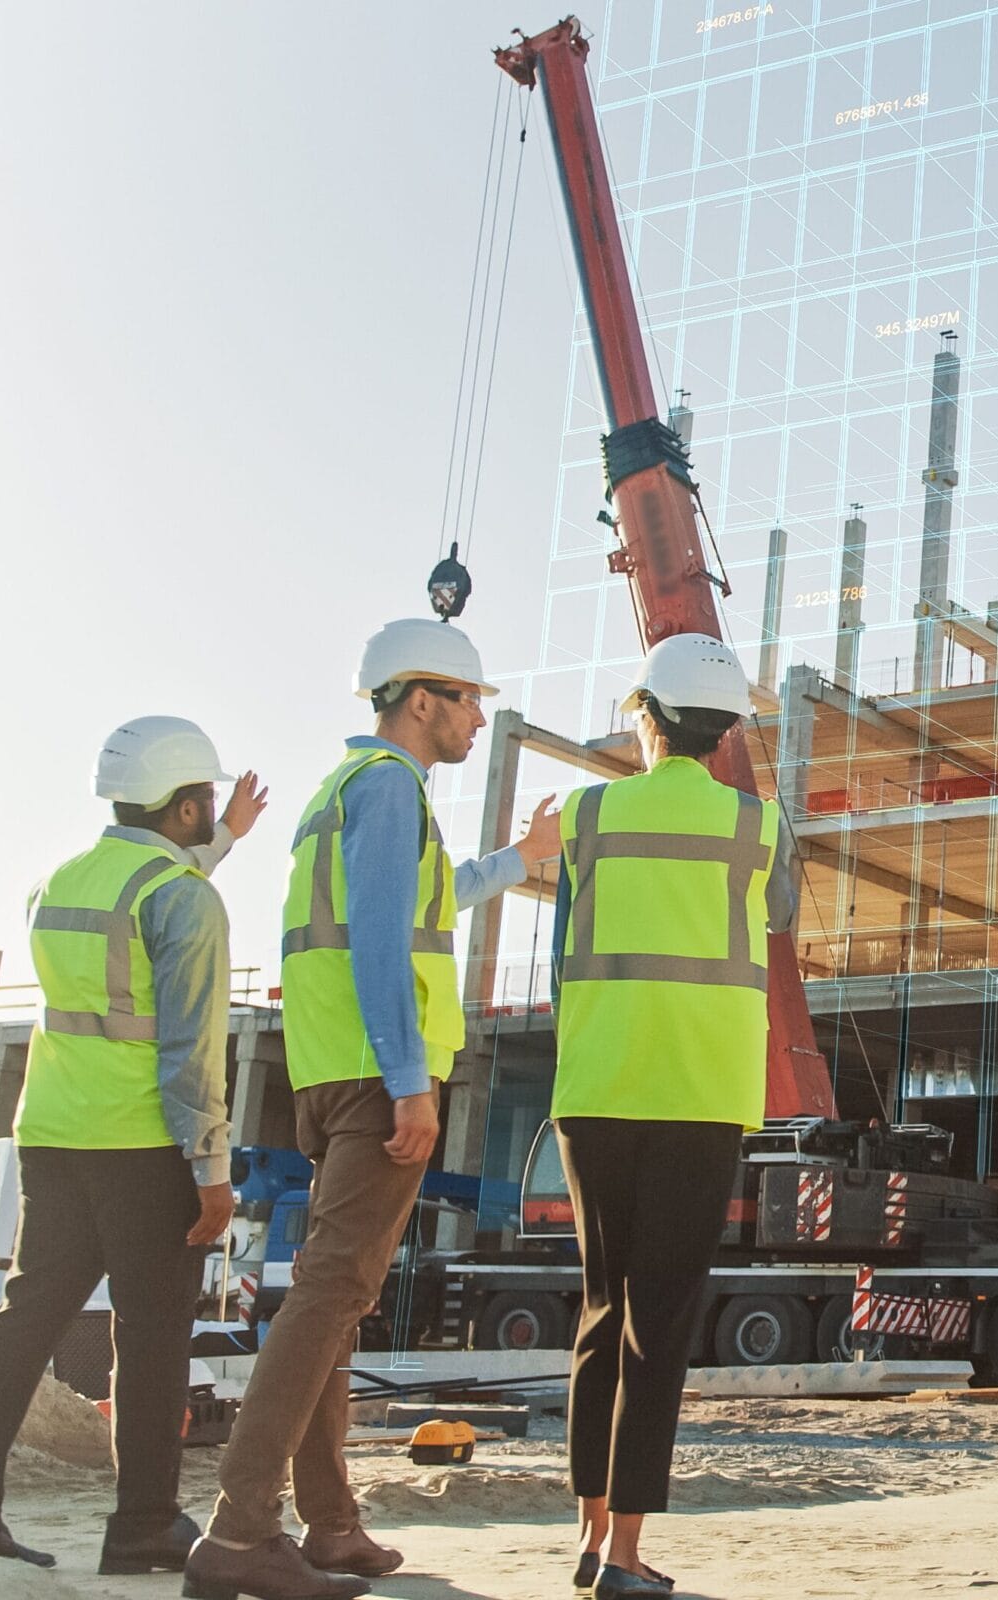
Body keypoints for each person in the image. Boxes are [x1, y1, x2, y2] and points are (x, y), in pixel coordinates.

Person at [185, 619, 558, 1600]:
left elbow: (424, 904)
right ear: (421, 700)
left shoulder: (343, 793)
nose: (481, 716)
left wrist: (518, 858)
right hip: (375, 1073)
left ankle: (332, 1521)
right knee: (328, 1298)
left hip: (328, 1070)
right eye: (470, 698)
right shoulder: (391, 789)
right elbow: (386, 941)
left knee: (329, 1300)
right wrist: (407, 1080)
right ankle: (239, 1530)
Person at [0, 718, 264, 1574]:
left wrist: (223, 841)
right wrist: (212, 1171)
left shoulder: (58, 882)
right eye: (206, 803)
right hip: (145, 1143)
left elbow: (136, 919)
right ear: (186, 804)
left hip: (53, 1137)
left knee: (26, 1318)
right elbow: (190, 1052)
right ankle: (144, 1524)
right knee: (150, 1336)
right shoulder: (186, 899)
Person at [549, 633, 799, 1597]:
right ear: (730, 729)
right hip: (699, 1096)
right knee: (661, 1320)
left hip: (599, 1089)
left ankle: (586, 1533)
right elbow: (776, 919)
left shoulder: (587, 813)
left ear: (646, 717)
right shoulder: (758, 826)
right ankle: (625, 1559)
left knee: (602, 1311)